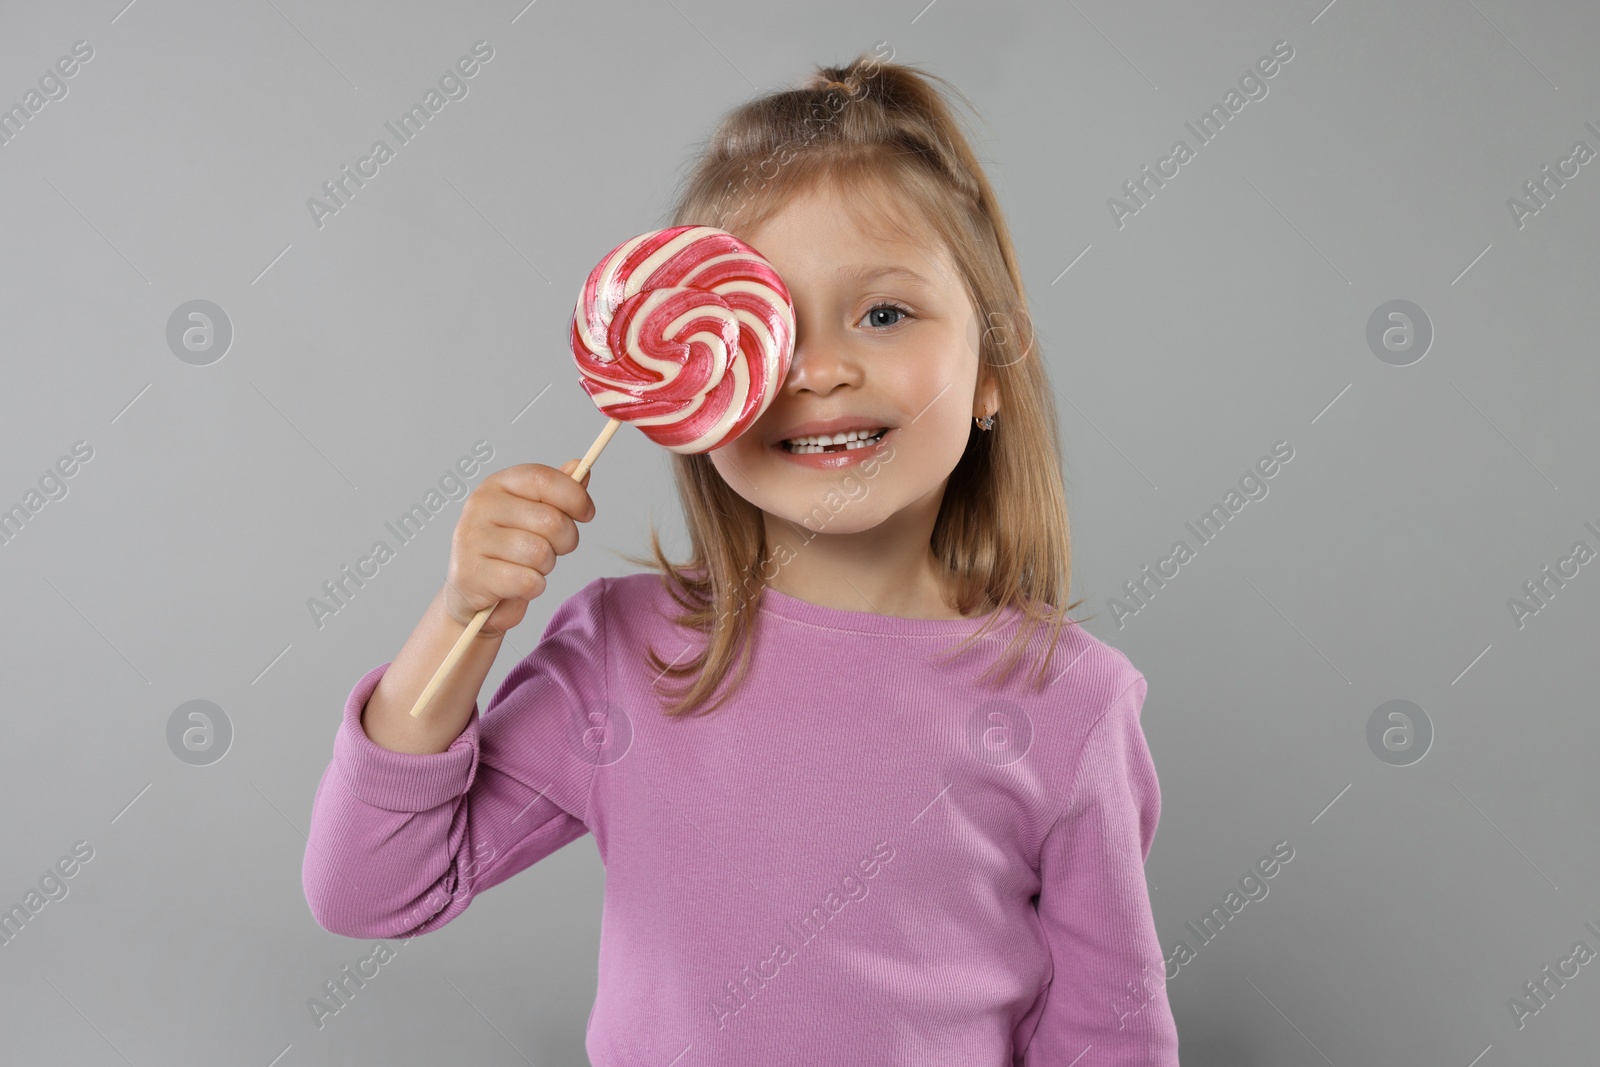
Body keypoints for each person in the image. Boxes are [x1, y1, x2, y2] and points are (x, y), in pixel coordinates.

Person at [302, 50, 1180, 1066]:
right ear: (693, 386)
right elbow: (370, 890)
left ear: (991, 370)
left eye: (884, 312)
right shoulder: (623, 653)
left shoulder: (1072, 700)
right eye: (768, 323)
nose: (819, 367)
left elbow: (1106, 1036)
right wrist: (461, 618)